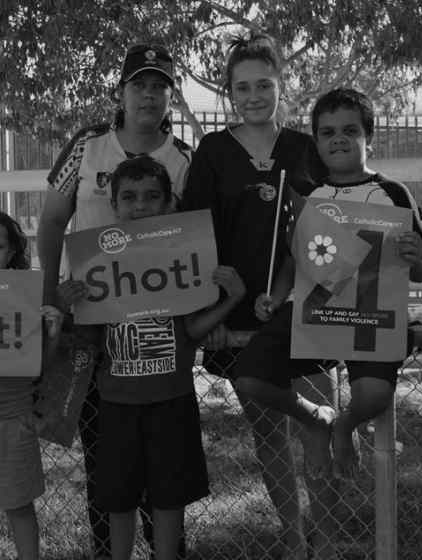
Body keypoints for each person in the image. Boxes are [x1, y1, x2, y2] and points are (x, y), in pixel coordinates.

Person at [181, 33, 339, 560]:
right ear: (228, 92)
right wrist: (214, 313)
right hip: (240, 317)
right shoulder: (212, 152)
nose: (253, 96)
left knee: (320, 427)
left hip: (307, 309)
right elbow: (196, 238)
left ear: (281, 86)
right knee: (269, 433)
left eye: (264, 85)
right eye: (242, 87)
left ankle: (327, 537)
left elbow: (334, 227)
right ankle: (294, 539)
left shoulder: (303, 147)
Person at [37, 43, 193, 560]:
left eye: (160, 86)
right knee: (105, 459)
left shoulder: (184, 158)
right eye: (139, 85)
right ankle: (109, 552)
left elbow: (192, 242)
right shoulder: (88, 146)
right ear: (121, 93)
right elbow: (53, 223)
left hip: (156, 333)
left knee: (163, 460)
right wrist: (50, 299)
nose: (149, 95)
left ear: (170, 96)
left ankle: (167, 550)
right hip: (90, 326)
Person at [234, 88, 422, 482]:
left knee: (373, 396)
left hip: (372, 316)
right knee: (249, 377)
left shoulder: (392, 193)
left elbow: (419, 270)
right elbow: (293, 260)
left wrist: (415, 257)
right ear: (317, 141)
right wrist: (274, 296)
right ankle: (317, 418)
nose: (338, 138)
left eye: (350, 130)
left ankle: (344, 424)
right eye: (327, 132)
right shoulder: (309, 196)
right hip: (316, 311)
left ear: (368, 138)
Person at [61, 156, 245, 560]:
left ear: (167, 205)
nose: (140, 206)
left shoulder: (181, 259)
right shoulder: (96, 263)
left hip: (172, 399)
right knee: (118, 499)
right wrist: (70, 305)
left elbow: (193, 330)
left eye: (151, 197)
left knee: (169, 497)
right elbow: (87, 339)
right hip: (116, 404)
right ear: (114, 206)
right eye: (129, 198)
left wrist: (232, 299)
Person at [0, 211, 65, 560]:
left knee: (18, 506)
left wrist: (52, 335)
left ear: (12, 251)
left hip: (12, 419)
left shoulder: (24, 297)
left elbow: (39, 368)